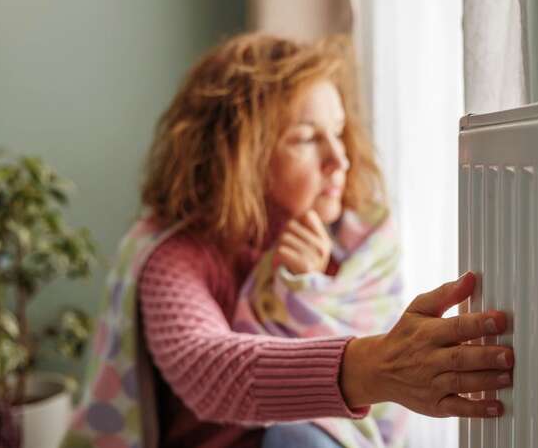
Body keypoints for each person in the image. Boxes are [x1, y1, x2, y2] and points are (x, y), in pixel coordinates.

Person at [60, 33, 513, 448]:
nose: (340, 159)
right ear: (238, 156)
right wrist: (380, 366)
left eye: (338, 133)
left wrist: (309, 288)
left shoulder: (360, 241)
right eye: (306, 139)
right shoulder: (175, 256)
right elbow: (206, 369)